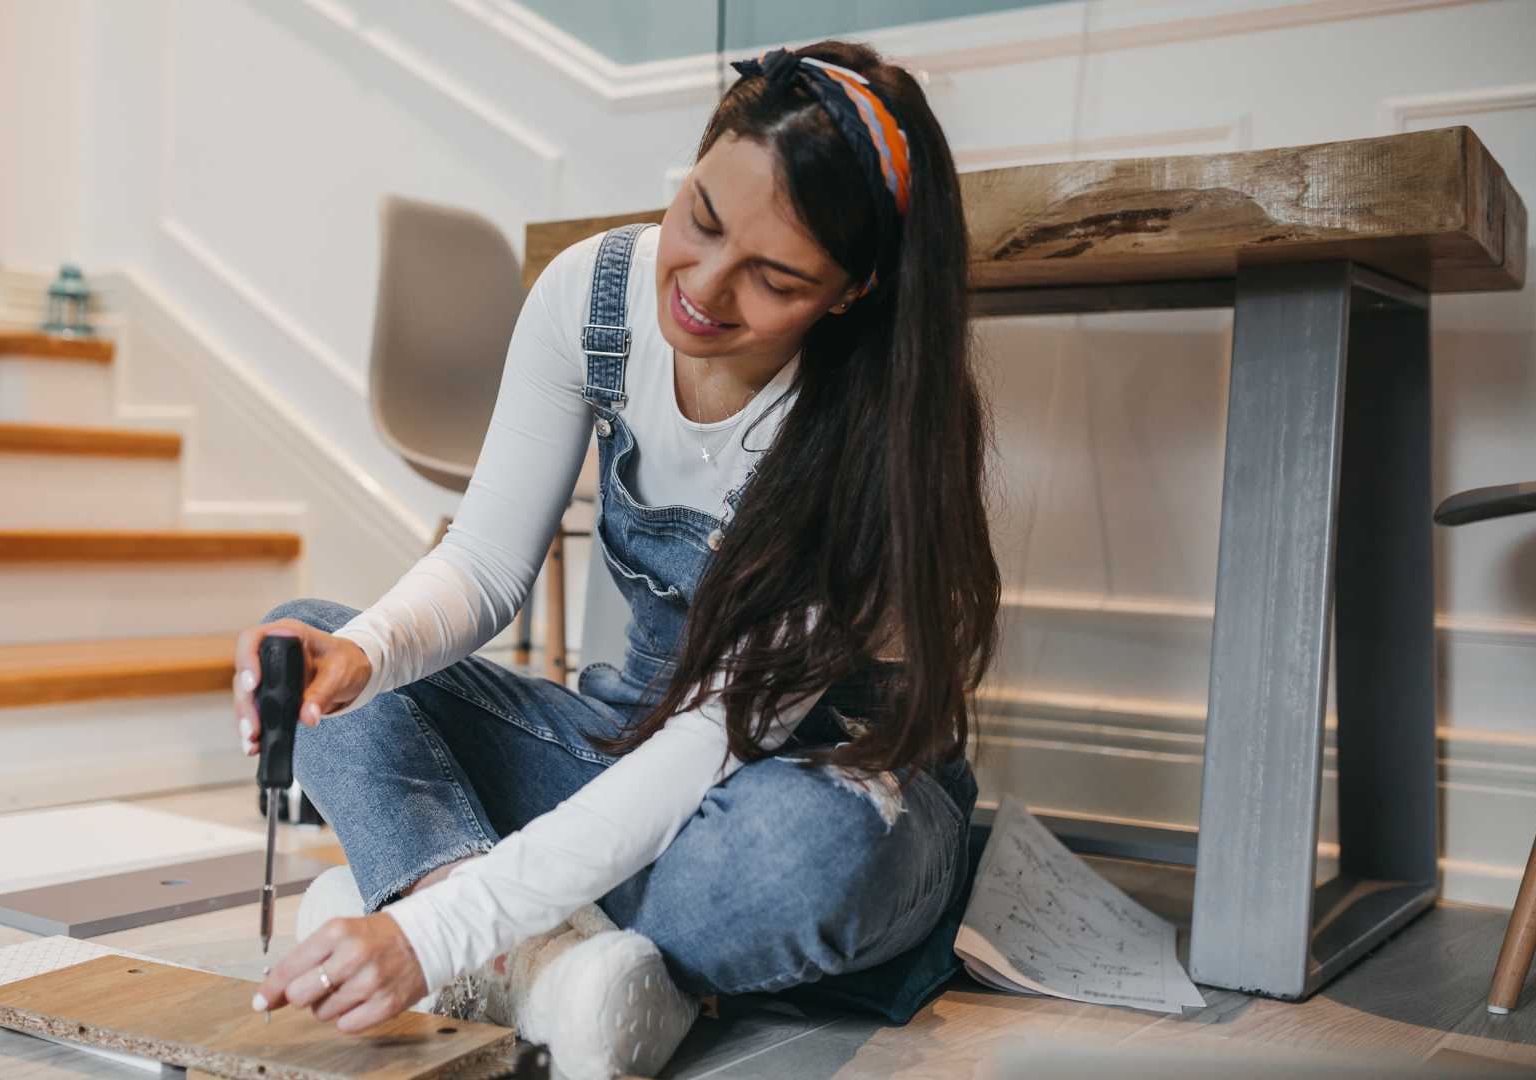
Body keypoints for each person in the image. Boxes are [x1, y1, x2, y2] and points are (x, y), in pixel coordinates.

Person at [235, 39, 1000, 1079]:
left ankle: (447, 911)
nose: (705, 291)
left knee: (806, 863)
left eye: (774, 279)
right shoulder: (591, 297)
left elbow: (710, 744)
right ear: (693, 165)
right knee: (323, 644)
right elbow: (489, 565)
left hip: (820, 780)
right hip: (626, 737)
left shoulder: (872, 433)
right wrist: (360, 654)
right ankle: (552, 964)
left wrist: (435, 934)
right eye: (701, 218)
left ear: (852, 292)